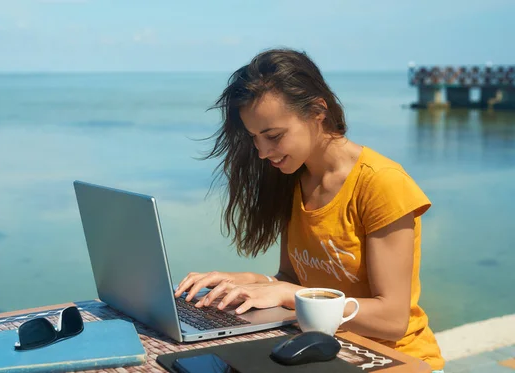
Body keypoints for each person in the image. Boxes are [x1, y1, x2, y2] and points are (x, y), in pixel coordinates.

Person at [173, 48, 445, 371]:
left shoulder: (382, 185)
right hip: (325, 349)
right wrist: (238, 283)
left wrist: (288, 295)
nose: (262, 153)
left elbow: (393, 318)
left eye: (273, 136)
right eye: (255, 138)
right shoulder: (295, 179)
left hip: (395, 358)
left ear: (318, 111)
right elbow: (291, 279)